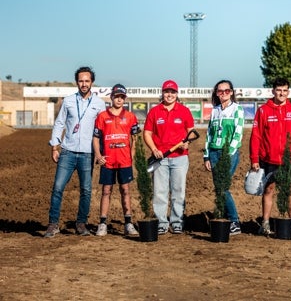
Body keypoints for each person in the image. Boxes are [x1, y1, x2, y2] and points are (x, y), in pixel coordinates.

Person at [44, 66, 106, 238]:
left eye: (87, 81)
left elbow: (103, 129)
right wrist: (55, 146)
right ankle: (53, 224)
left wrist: (101, 152)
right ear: (77, 82)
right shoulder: (69, 101)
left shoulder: (99, 104)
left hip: (87, 154)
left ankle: (81, 224)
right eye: (81, 80)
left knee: (86, 190)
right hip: (67, 152)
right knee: (57, 187)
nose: (84, 84)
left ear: (92, 82)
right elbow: (59, 124)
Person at [250, 78, 291, 235]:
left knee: (290, 190)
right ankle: (265, 223)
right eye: (279, 90)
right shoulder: (263, 111)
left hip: (290, 159)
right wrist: (254, 159)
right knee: (268, 189)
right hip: (268, 159)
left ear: (288, 92)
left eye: (285, 90)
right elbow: (256, 136)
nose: (282, 93)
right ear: (273, 91)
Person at [143, 80, 194, 235]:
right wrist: (154, 149)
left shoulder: (184, 111)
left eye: (172, 92)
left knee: (178, 190)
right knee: (160, 191)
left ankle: (177, 222)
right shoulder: (154, 111)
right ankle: (161, 222)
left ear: (176, 94)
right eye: (167, 92)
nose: (169, 95)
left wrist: (187, 143)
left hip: (179, 158)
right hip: (160, 159)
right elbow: (147, 133)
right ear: (162, 93)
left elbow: (191, 131)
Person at [93, 84, 140, 237]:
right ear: (111, 97)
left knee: (125, 190)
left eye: (122, 97)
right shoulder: (102, 116)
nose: (119, 99)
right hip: (108, 161)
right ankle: (102, 223)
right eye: (117, 96)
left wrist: (132, 153)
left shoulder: (131, 116)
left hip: (124, 160)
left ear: (124, 99)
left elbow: (135, 137)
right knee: (106, 191)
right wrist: (98, 155)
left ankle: (128, 223)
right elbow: (96, 137)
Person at [204, 80, 244, 235]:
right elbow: (209, 134)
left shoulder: (237, 109)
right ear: (216, 93)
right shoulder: (214, 111)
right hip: (213, 152)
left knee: (223, 187)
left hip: (229, 153)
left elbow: (238, 133)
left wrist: (228, 154)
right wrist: (206, 156)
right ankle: (223, 219)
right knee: (219, 188)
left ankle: (234, 221)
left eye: (226, 91)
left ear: (232, 92)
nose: (223, 94)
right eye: (220, 91)